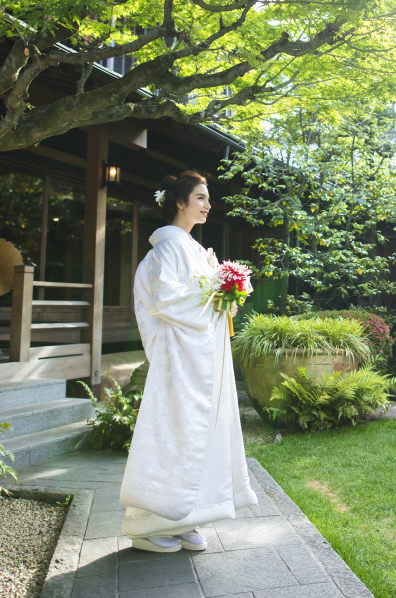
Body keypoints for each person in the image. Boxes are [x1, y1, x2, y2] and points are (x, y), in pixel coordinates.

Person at [119, 170, 258, 553]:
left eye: (207, 199)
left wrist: (226, 290)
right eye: (200, 198)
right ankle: (147, 523)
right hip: (180, 360)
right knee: (175, 434)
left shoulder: (195, 249)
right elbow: (165, 300)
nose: (207, 205)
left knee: (201, 435)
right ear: (179, 202)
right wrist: (218, 290)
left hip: (202, 359)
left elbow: (204, 302)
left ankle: (186, 518)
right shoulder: (167, 248)